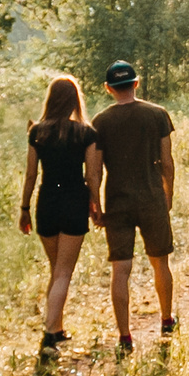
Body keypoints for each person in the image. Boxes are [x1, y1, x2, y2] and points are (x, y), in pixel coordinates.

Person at [86, 58, 176, 353]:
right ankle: (166, 319)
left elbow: (95, 170)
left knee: (120, 269)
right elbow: (167, 162)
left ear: (108, 88)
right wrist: (168, 194)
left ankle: (125, 336)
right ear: (136, 83)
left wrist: (95, 202)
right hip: (152, 197)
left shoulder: (100, 122)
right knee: (160, 261)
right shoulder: (158, 115)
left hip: (118, 201)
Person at [18, 74, 97, 356]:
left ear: (50, 99)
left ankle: (57, 327)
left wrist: (24, 209)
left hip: (47, 201)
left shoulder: (37, 132)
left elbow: (30, 176)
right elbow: (92, 175)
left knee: (56, 270)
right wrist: (96, 204)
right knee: (64, 272)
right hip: (74, 201)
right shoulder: (85, 133)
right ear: (75, 100)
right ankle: (50, 336)